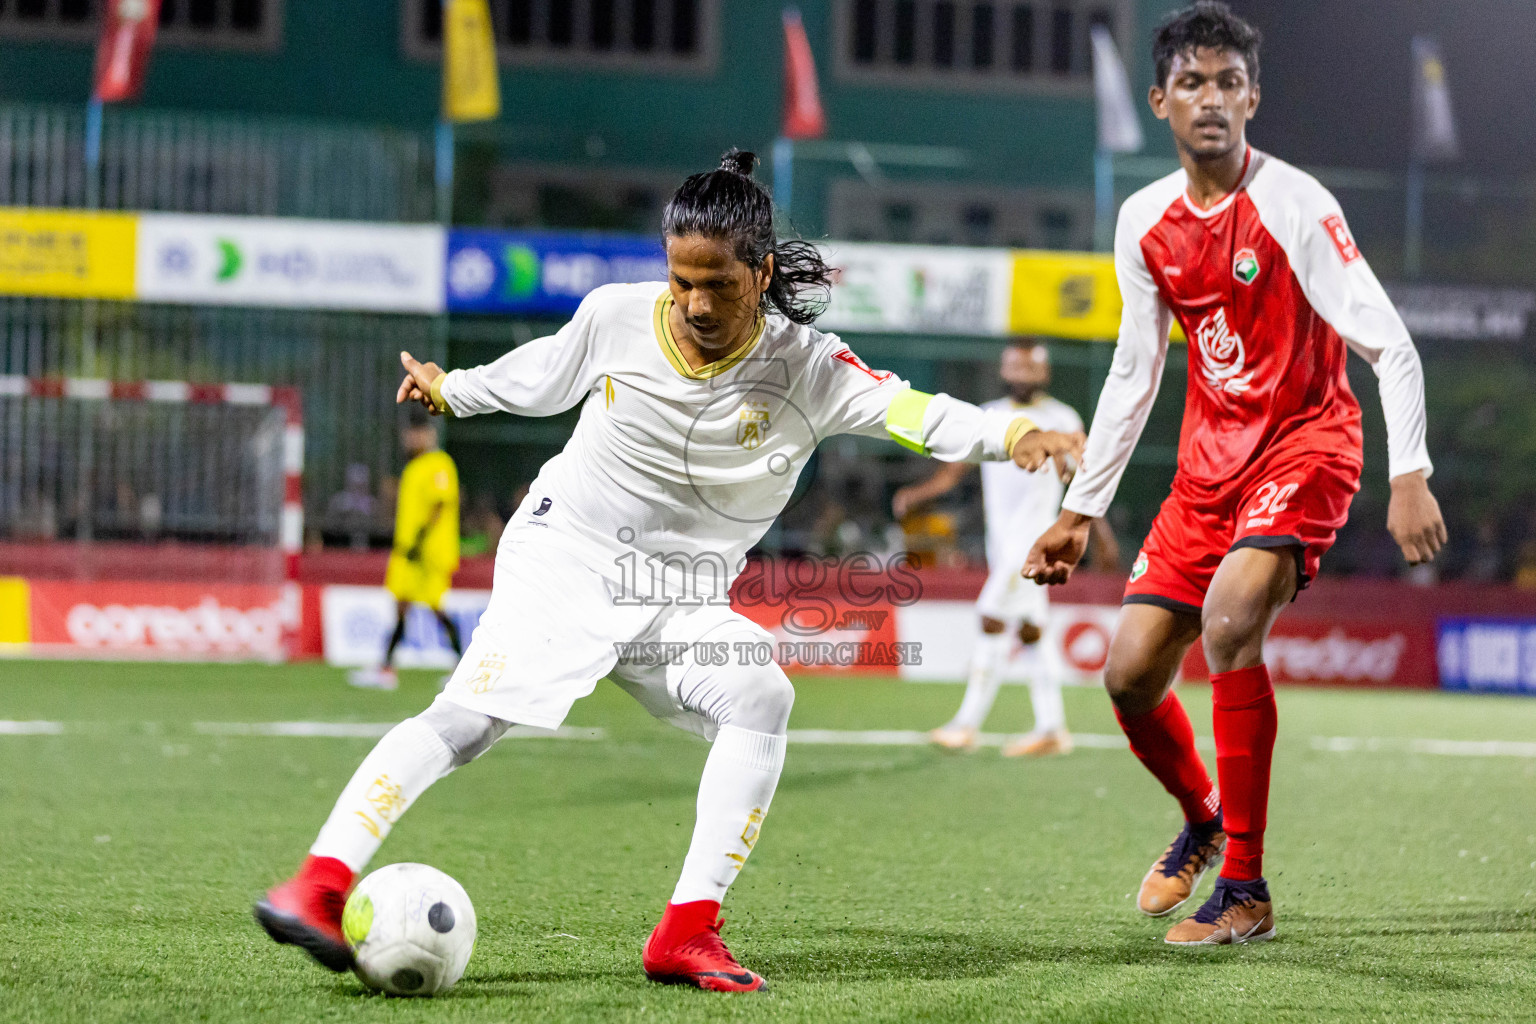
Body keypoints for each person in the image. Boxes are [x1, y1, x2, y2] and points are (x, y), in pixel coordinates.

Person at [255, 150, 1085, 992]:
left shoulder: (807, 367)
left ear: (760, 273)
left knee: (762, 693)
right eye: (680, 280)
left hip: (675, 598)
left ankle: (686, 932)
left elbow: (909, 410)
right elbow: (542, 377)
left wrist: (1012, 437)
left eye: (717, 284)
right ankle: (319, 885)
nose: (692, 303)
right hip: (565, 555)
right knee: (470, 721)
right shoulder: (619, 315)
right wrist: (454, 388)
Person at [1025, 2, 1446, 946]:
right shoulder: (1144, 221)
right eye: (1191, 83)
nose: (1210, 99)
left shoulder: (1298, 204)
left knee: (1227, 623)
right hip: (1205, 472)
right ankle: (1204, 821)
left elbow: (1394, 345)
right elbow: (1136, 373)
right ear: (1160, 99)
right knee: (1129, 674)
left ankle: (1246, 889)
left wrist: (1408, 470)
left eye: (1227, 83)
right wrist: (1080, 509)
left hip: (1307, 445)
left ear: (1253, 96)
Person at [892, 341, 1118, 757]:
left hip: (1034, 544)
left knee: (990, 616)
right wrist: (918, 494)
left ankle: (966, 724)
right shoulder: (991, 415)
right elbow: (953, 472)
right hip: (1003, 544)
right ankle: (1051, 727)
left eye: (1031, 367)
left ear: (1044, 374)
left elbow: (1082, 480)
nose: (1022, 374)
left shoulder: (1060, 418)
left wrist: (1098, 534)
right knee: (1032, 633)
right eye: (1016, 365)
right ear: (1004, 369)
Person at [348, 409, 463, 690]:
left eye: (418, 432)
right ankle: (386, 667)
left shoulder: (439, 463)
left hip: (428, 553)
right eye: (410, 433)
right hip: (409, 551)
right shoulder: (414, 467)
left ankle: (461, 669)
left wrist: (421, 541)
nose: (412, 438)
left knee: (435, 608)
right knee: (401, 606)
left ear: (429, 435)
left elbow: (440, 503)